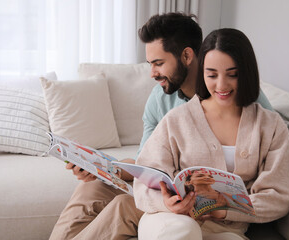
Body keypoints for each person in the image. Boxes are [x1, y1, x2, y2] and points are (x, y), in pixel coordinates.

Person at [49, 13, 273, 239]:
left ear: (186, 56)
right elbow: (145, 164)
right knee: (90, 188)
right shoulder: (160, 99)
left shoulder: (237, 95)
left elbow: (263, 144)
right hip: (164, 191)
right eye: (150, 64)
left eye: (158, 63)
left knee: (123, 205)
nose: (152, 74)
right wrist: (101, 167)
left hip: (197, 203)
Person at [133, 28, 289, 240]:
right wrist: (166, 202)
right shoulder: (176, 120)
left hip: (229, 228)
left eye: (232, 74)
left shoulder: (270, 125)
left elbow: (278, 197)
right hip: (171, 220)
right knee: (183, 232)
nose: (221, 85)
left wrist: (224, 208)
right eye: (211, 75)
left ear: (246, 72)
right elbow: (144, 178)